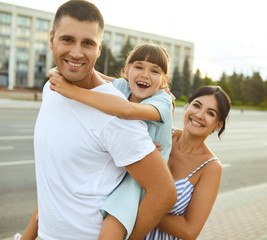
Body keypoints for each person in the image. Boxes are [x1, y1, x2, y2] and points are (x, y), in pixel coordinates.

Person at [16, 1, 177, 239]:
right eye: (67, 39)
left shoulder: (116, 116)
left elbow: (164, 192)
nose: (77, 52)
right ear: (52, 40)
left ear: (99, 48)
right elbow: (55, 182)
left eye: (88, 43)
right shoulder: (53, 88)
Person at [47, 43, 174, 239]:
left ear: (165, 80)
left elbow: (127, 110)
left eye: (155, 71)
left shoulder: (163, 100)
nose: (145, 75)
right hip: (120, 167)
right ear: (127, 70)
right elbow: (90, 74)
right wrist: (59, 71)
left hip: (139, 179)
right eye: (138, 67)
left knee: (112, 226)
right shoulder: (123, 86)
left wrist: (71, 91)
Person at [145, 86, 231, 239]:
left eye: (210, 113)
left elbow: (189, 231)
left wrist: (139, 206)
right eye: (197, 105)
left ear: (218, 125)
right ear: (186, 106)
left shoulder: (211, 167)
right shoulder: (159, 134)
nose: (199, 115)